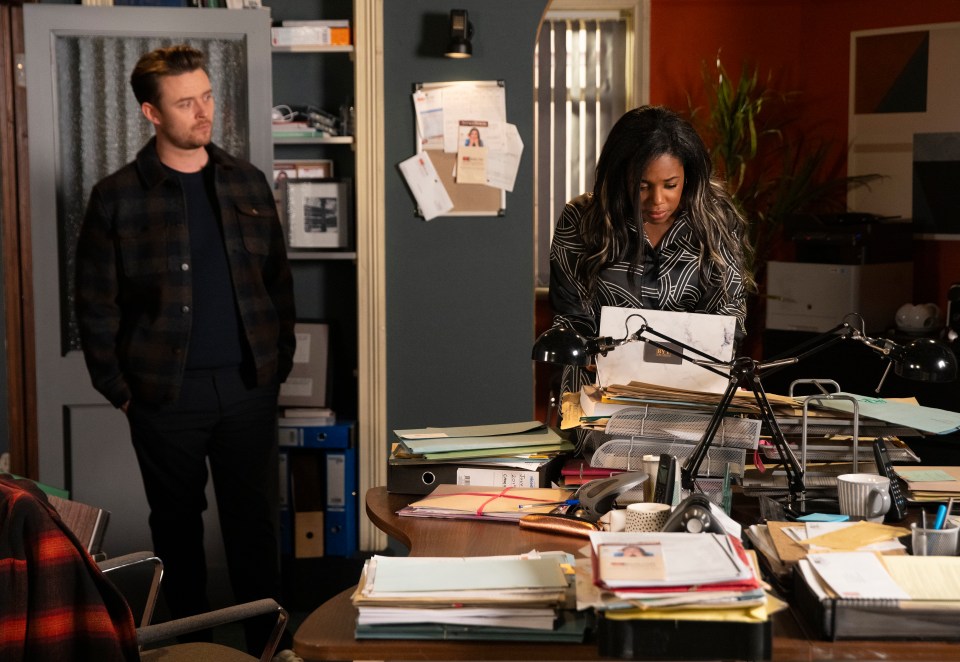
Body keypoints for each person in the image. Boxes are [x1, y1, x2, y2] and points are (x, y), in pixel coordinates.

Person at [75, 45, 296, 654]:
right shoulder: (117, 196)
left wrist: (275, 365)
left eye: (206, 96)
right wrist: (120, 393)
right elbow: (95, 306)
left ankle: (267, 647)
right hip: (163, 396)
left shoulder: (247, 182)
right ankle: (191, 646)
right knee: (176, 529)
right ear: (151, 112)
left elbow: (278, 284)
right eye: (184, 102)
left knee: (254, 527)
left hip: (249, 386)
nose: (203, 112)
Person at [548, 105, 754, 395]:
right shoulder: (582, 220)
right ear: (621, 177)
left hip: (691, 390)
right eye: (642, 186)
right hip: (600, 391)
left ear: (688, 175)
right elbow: (571, 315)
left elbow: (728, 314)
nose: (657, 200)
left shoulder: (715, 218)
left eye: (671, 185)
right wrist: (586, 352)